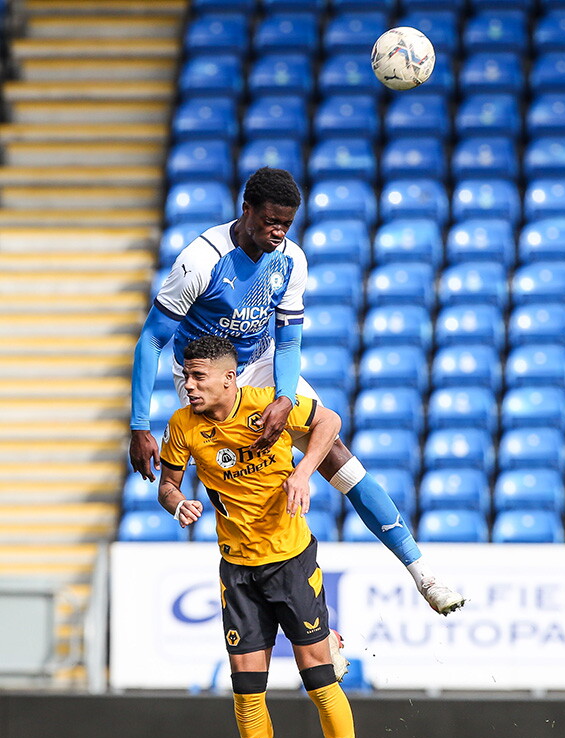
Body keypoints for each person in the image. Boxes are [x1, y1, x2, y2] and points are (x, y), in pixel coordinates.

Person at [131, 166, 466, 617]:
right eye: (270, 221)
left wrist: (285, 398)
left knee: (335, 453)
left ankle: (423, 573)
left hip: (262, 363)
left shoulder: (291, 260)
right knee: (243, 482)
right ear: (246, 210)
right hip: (206, 375)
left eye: (286, 224)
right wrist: (140, 425)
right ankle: (315, 622)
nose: (278, 232)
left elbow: (289, 341)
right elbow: (152, 339)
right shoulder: (201, 261)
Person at [158, 335, 367, 738]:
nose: (189, 385)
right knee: (247, 690)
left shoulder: (267, 405)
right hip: (238, 572)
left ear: (230, 378)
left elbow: (330, 421)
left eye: (198, 377)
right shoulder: (182, 426)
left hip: (290, 562)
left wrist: (303, 471)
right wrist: (177, 502)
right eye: (186, 376)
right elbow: (166, 483)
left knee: (318, 678)